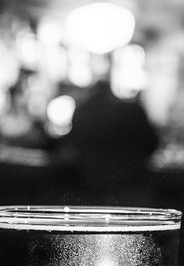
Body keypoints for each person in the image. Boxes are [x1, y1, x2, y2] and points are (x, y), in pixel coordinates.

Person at [65, 77, 160, 205]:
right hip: (132, 185)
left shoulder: (82, 111)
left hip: (92, 185)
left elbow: (71, 145)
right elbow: (152, 143)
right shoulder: (131, 110)